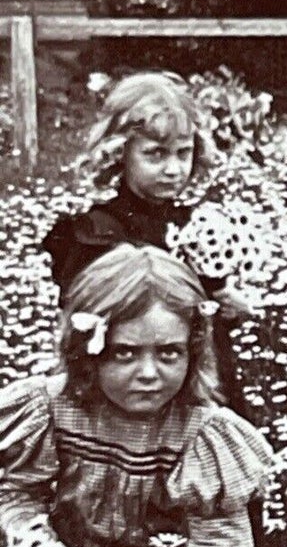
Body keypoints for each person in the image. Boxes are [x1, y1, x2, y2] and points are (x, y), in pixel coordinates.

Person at [0, 245, 273, 547]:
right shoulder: (53, 410)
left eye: (169, 353)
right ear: (86, 352)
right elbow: (16, 493)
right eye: (125, 353)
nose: (148, 374)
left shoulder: (199, 431)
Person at [42, 71, 258, 415]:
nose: (173, 169)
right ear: (120, 153)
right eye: (156, 154)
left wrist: (224, 304)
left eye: (183, 153)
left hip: (193, 378)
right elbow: (85, 320)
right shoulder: (95, 234)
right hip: (127, 379)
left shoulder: (198, 225)